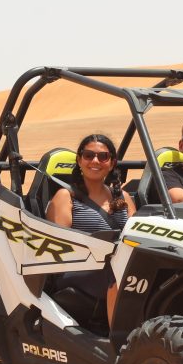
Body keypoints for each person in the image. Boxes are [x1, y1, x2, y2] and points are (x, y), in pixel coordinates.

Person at [46, 134, 136, 327]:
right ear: (79, 160)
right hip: (79, 268)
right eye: (88, 155)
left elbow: (137, 234)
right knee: (118, 275)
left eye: (103, 157)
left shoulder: (123, 197)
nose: (95, 161)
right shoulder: (66, 197)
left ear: (111, 163)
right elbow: (59, 246)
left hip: (117, 263)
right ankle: (119, 344)